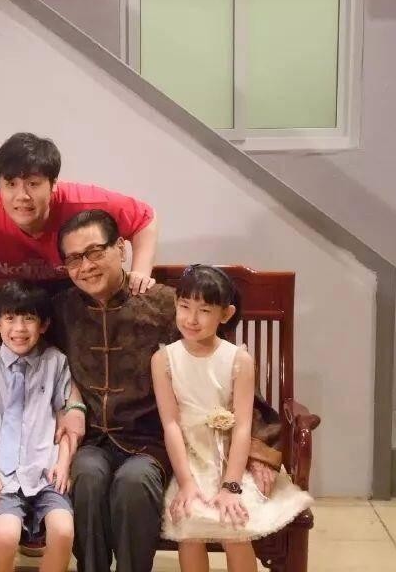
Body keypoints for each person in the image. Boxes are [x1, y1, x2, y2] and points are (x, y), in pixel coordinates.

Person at [49, 210, 283, 572]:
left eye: (95, 252)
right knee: (88, 476)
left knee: (134, 482)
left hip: (151, 440)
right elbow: (35, 358)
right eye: (74, 258)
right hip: (92, 437)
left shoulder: (165, 305)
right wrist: (72, 407)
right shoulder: (63, 308)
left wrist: (258, 451)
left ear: (121, 249)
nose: (86, 266)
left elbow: (222, 377)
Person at [153, 265, 312, 572]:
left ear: (225, 315)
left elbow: (242, 426)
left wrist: (231, 485)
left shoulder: (238, 360)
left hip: (232, 461)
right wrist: (186, 482)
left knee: (235, 527)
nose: (191, 318)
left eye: (204, 310)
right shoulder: (163, 360)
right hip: (189, 460)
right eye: (185, 306)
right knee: (190, 526)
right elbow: (171, 424)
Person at [0, 132, 159, 320]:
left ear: (53, 184)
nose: (22, 196)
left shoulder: (86, 204)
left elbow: (145, 218)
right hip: (16, 301)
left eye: (33, 184)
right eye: (11, 184)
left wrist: (140, 272)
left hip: (75, 294)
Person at [0, 280, 76, 572]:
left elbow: (65, 422)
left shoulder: (56, 361)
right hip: (3, 476)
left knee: (63, 532)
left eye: (29, 318)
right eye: (10, 318)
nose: (19, 328)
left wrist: (64, 463)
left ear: (44, 325)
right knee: (5, 536)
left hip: (46, 472)